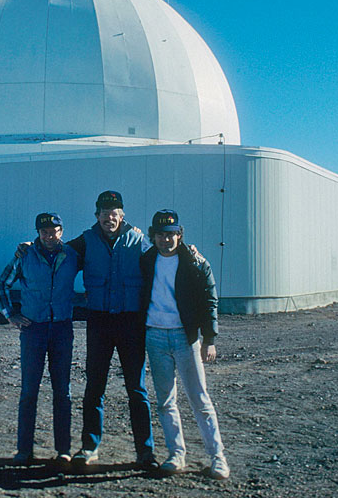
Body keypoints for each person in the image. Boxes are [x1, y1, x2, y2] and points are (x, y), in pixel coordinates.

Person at [64, 191, 158, 470]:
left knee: (137, 389)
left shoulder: (138, 240)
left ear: (122, 214)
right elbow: (57, 253)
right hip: (99, 322)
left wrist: (188, 250)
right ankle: (89, 446)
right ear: (97, 216)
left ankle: (145, 452)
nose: (109, 217)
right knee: (95, 387)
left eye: (114, 212)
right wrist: (29, 246)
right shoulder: (86, 241)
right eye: (104, 213)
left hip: (131, 324)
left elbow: (164, 254)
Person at [139, 209, 229, 479]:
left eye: (171, 234)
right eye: (160, 235)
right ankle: (176, 454)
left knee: (199, 399)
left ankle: (218, 458)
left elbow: (209, 299)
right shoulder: (146, 260)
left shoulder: (195, 262)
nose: (166, 240)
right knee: (165, 401)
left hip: (185, 337)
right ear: (152, 237)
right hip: (155, 337)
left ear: (179, 235)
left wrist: (209, 339)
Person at [0, 212, 82, 468]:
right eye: (44, 232)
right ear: (38, 233)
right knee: (29, 392)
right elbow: (1, 284)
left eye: (54, 231)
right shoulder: (24, 256)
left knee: (62, 393)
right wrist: (11, 315)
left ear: (61, 232)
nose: (49, 236)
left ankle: (63, 450)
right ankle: (24, 451)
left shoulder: (72, 256)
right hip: (33, 330)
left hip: (62, 330)